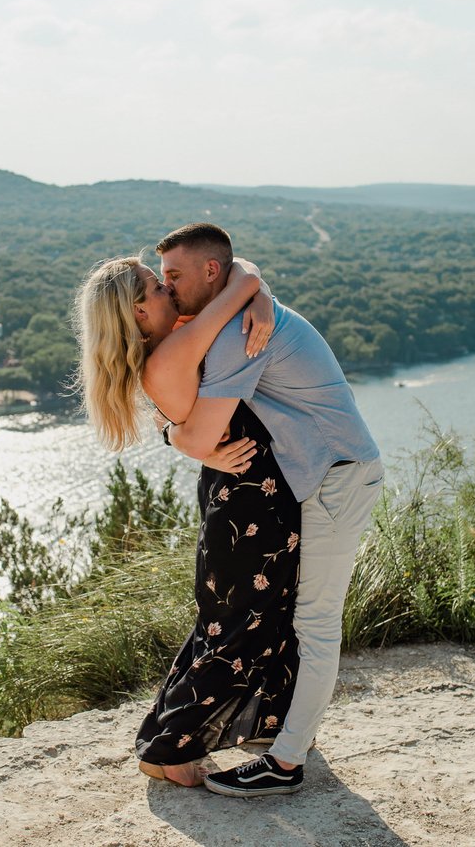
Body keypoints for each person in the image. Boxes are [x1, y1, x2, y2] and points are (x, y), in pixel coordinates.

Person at [156, 222, 383, 798]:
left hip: (335, 478)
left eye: (175, 276)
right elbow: (240, 269)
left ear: (212, 273)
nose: (168, 288)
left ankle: (286, 764)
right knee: (295, 619)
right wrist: (251, 283)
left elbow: (202, 433)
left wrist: (171, 435)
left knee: (316, 624)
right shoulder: (238, 309)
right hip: (324, 476)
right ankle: (285, 735)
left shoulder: (239, 334)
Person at [73, 254, 303, 789]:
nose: (169, 292)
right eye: (158, 286)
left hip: (239, 495)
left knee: (234, 622)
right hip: (251, 503)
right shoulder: (180, 343)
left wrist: (258, 298)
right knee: (242, 626)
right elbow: (238, 276)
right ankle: (169, 749)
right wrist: (257, 293)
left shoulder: (165, 344)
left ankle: (238, 729)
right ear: (136, 309)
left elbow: (233, 275)